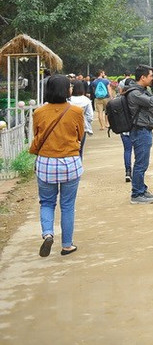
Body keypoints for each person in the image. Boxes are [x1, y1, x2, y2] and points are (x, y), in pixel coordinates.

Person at [29, 74, 85, 257]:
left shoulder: (38, 112)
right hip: (70, 162)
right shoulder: (76, 111)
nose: (71, 88)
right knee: (67, 205)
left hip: (46, 163)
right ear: (65, 90)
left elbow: (36, 135)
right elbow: (80, 135)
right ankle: (67, 245)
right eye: (69, 86)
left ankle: (47, 233)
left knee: (46, 202)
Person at [125, 65, 153, 204]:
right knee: (141, 164)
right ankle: (136, 194)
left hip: (144, 130)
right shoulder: (134, 93)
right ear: (143, 77)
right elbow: (152, 102)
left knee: (143, 163)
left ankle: (141, 189)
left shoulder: (143, 90)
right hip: (140, 131)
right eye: (151, 76)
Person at [68, 80, 94, 156]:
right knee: (80, 149)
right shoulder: (86, 100)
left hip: (69, 126)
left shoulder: (68, 100)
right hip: (82, 126)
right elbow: (90, 115)